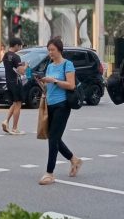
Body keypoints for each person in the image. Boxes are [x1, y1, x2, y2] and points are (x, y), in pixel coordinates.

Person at [37, 38, 83, 185]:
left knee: (53, 139)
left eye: (53, 50)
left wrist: (54, 81)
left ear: (59, 50)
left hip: (62, 105)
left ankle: (49, 173)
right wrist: (43, 84)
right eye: (49, 50)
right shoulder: (50, 66)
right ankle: (74, 160)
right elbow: (49, 86)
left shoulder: (67, 64)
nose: (50, 52)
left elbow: (71, 85)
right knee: (53, 137)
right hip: (50, 104)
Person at [2, 38, 28, 135]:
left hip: (9, 81)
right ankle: (15, 128)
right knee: (18, 104)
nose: (20, 47)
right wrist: (26, 65)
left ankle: (6, 121)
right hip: (16, 82)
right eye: (20, 46)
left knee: (14, 102)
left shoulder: (5, 55)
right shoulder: (16, 57)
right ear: (16, 45)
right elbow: (22, 71)